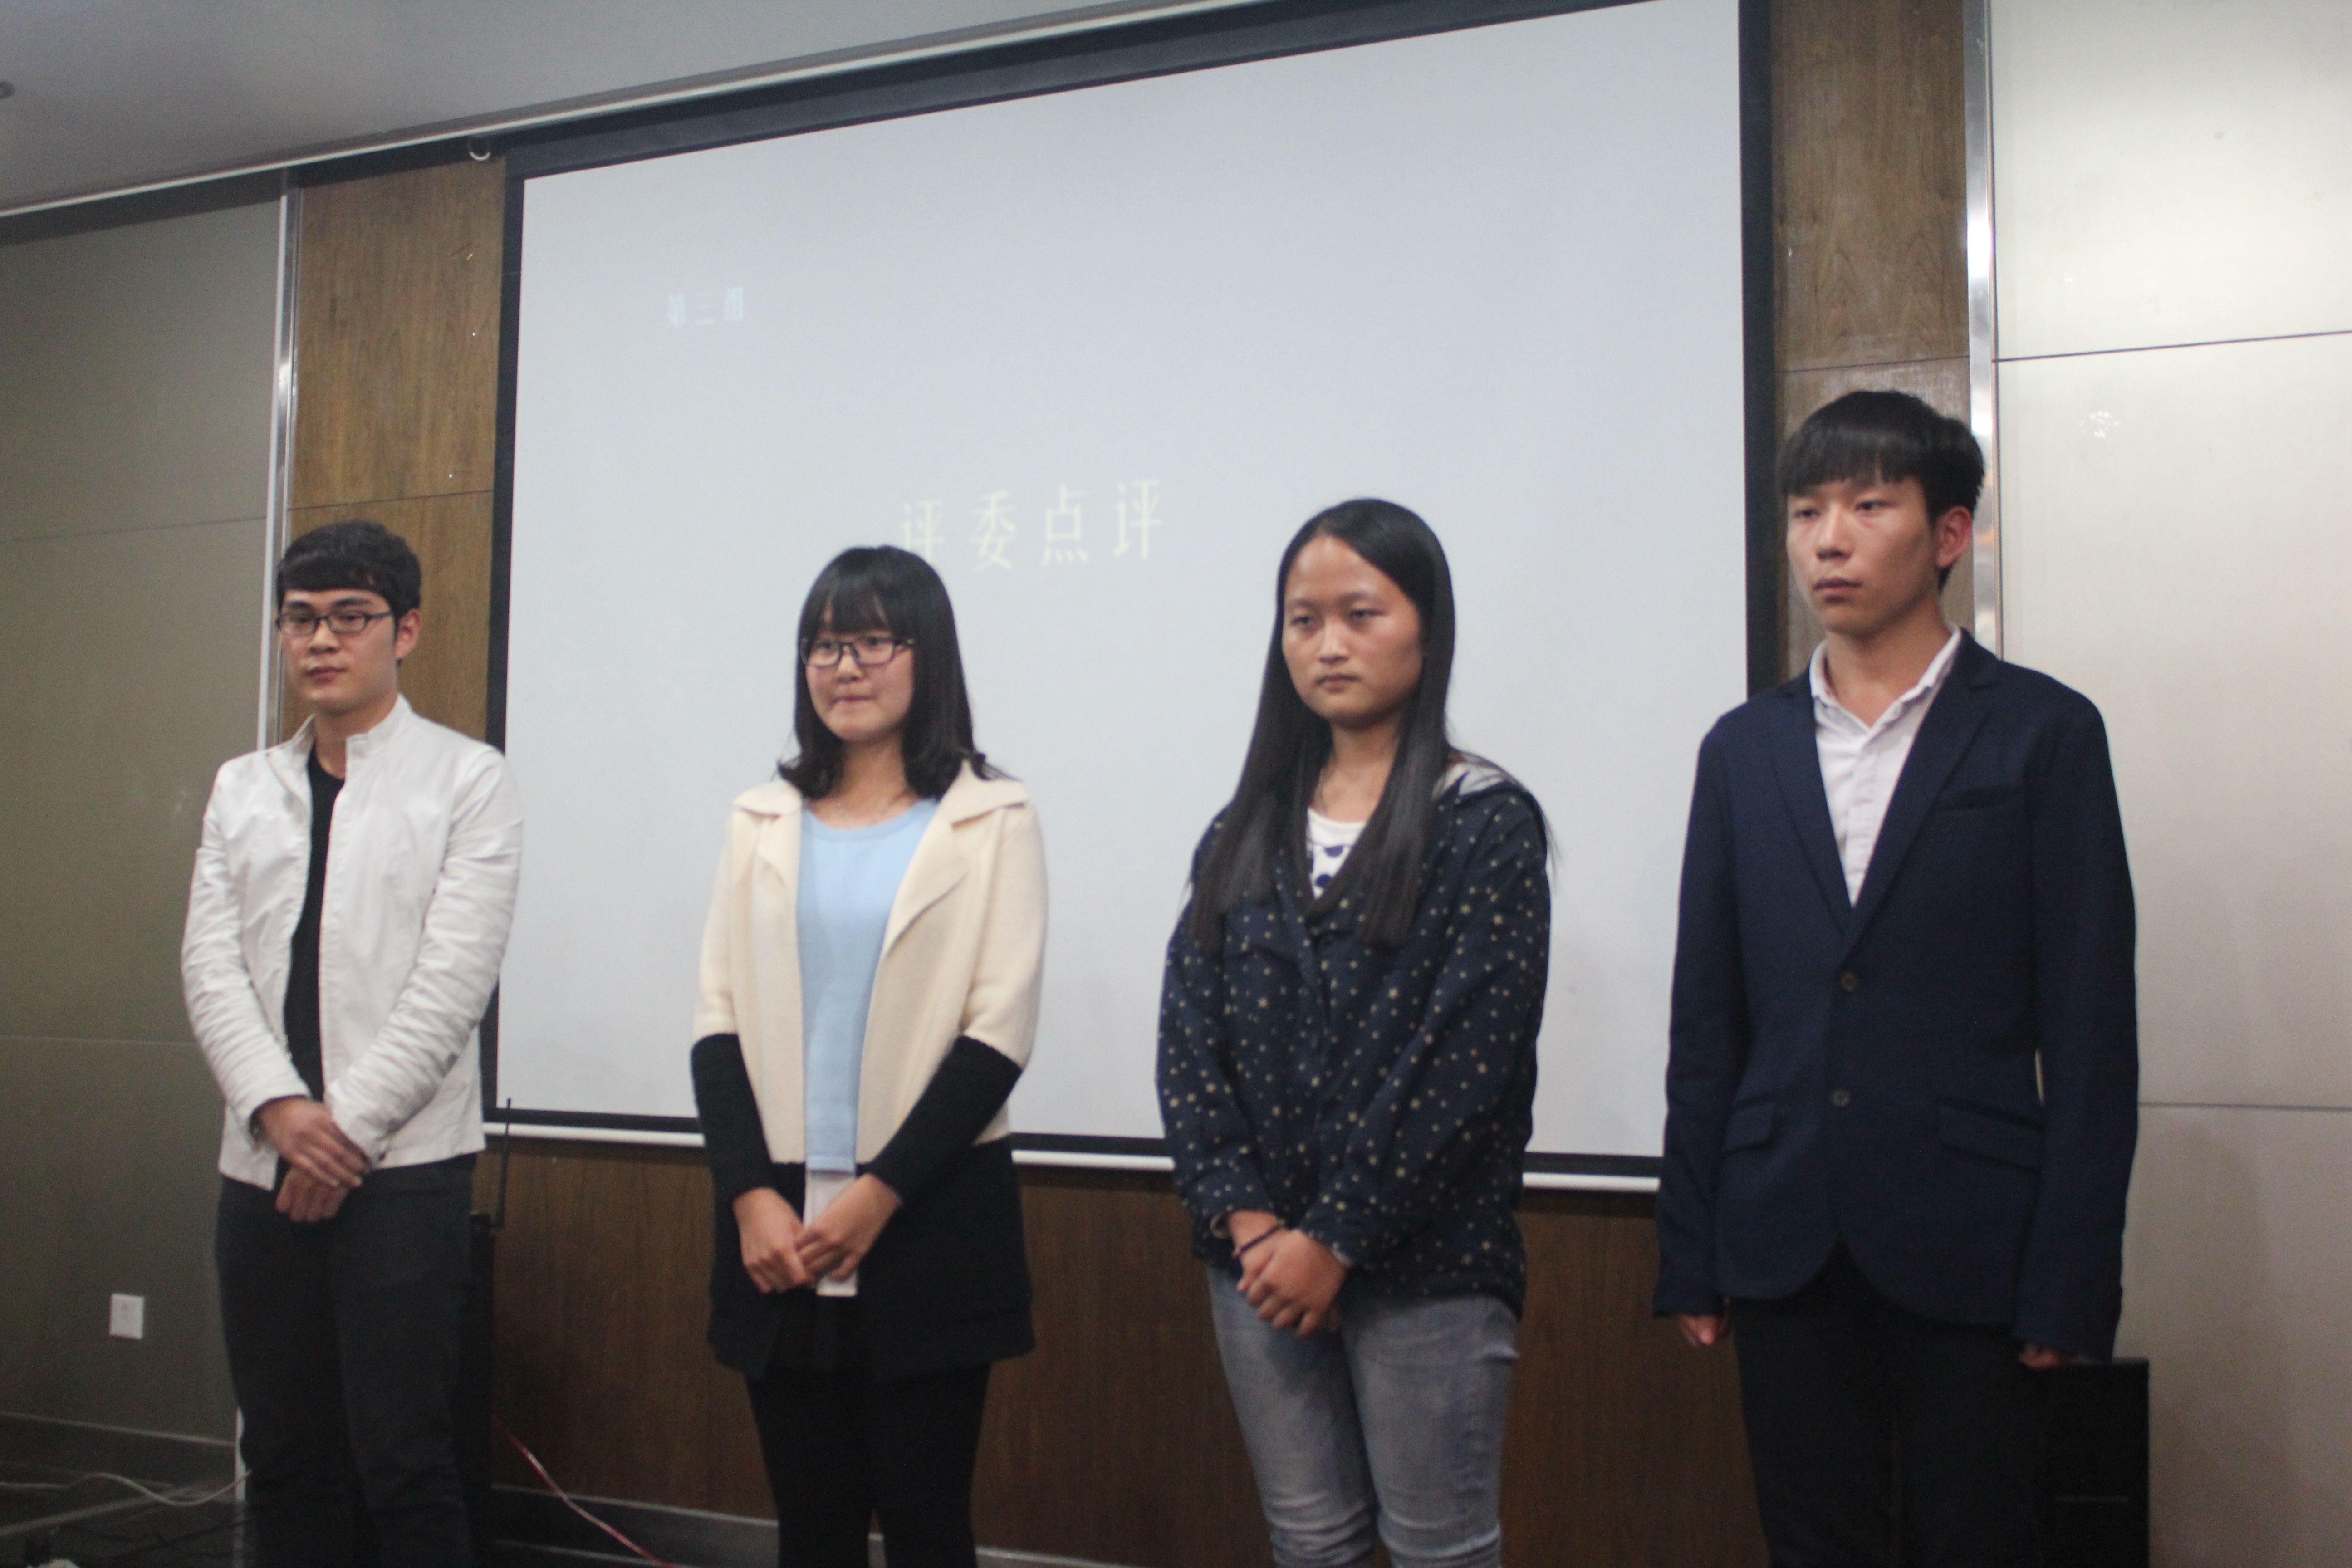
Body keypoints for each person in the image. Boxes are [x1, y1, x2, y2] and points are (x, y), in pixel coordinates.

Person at [1655, 390, 2138, 1565]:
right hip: (1784, 1236)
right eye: (1807, 511)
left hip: (1975, 1243)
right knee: (1812, 1542)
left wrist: (2070, 1280)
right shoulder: (1743, 748)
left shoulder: (2043, 733)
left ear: (1950, 533)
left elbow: (2091, 1030)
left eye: (1869, 507)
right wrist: (1692, 1251)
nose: (1829, 539)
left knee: (1979, 1541)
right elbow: (1708, 1018)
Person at [1157, 499, 1550, 1568]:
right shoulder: (1241, 830)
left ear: (1428, 629)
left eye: (1361, 614)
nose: (1328, 643)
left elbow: (1465, 1067)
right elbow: (1188, 1049)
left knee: (1438, 1548)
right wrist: (1256, 1232)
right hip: (1257, 1267)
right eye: (1304, 620)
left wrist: (1332, 1242)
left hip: (1428, 1264)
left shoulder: (1485, 824)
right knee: (1311, 1541)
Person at [688, 544, 1045, 1568]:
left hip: (930, 1215)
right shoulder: (759, 819)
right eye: (824, 645)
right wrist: (750, 1197)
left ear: (928, 655)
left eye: (873, 642)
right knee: (813, 1528)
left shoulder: (993, 816)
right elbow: (716, 1020)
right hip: (780, 1226)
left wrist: (879, 1196)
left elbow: (998, 1033)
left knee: (929, 1526)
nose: (844, 667)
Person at [182, 519, 523, 1567]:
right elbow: (211, 967)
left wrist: (343, 1136)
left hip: (404, 1175)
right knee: (284, 1461)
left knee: (405, 1466)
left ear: (404, 630)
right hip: (260, 1167)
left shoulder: (469, 779)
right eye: (301, 619)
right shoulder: (243, 786)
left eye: (350, 617)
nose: (322, 640)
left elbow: (453, 984)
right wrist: (281, 1112)